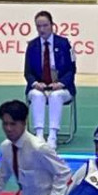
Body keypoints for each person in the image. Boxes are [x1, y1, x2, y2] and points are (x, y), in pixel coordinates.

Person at [24, 10, 76, 148]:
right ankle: (39, 134)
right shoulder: (32, 45)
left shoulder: (64, 44)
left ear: (52, 25)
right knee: (37, 95)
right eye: (39, 26)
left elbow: (71, 70)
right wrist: (35, 83)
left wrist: (61, 83)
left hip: (62, 88)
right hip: (39, 87)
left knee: (55, 96)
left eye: (45, 25)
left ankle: (53, 135)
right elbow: (28, 72)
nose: (42, 29)